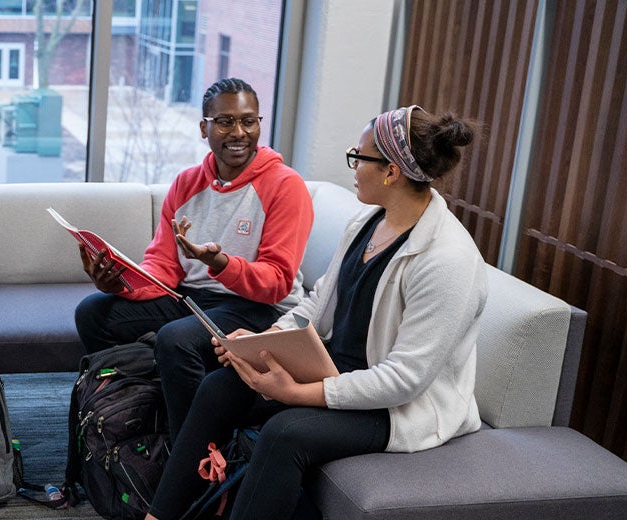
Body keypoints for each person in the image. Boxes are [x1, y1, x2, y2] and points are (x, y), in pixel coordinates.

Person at [145, 106, 486, 520]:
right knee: (220, 387)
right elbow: (317, 303)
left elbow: (404, 381)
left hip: (396, 407)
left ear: (391, 172)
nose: (354, 167)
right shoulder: (367, 222)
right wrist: (260, 344)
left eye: (359, 157)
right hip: (337, 370)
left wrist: (295, 393)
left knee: (285, 433)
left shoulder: (447, 259)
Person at [74, 78, 314, 439]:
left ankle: (189, 448)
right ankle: (140, 403)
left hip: (257, 305)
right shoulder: (187, 183)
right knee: (93, 313)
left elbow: (277, 282)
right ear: (204, 128)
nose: (239, 132)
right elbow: (164, 267)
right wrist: (121, 283)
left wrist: (221, 265)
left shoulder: (285, 185)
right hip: (194, 299)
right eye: (225, 121)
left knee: (176, 339)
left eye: (249, 121)